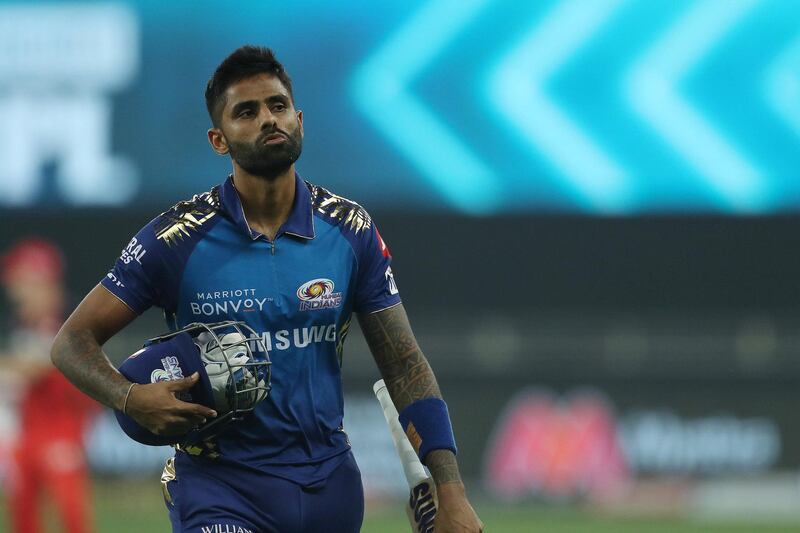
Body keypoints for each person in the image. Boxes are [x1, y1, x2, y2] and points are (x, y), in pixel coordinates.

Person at [51, 45, 483, 533]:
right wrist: (128, 397)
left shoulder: (349, 228)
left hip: (330, 487)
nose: (268, 120)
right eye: (246, 112)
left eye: (277, 106)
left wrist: (451, 493)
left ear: (299, 119)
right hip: (219, 488)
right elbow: (71, 342)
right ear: (219, 139)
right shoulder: (176, 238)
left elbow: (404, 366)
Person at [1, 239, 97, 533]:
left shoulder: (69, 318)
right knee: (23, 511)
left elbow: (37, 366)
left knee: (70, 510)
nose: (16, 291)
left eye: (22, 282)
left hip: (62, 426)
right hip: (29, 428)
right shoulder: (22, 322)